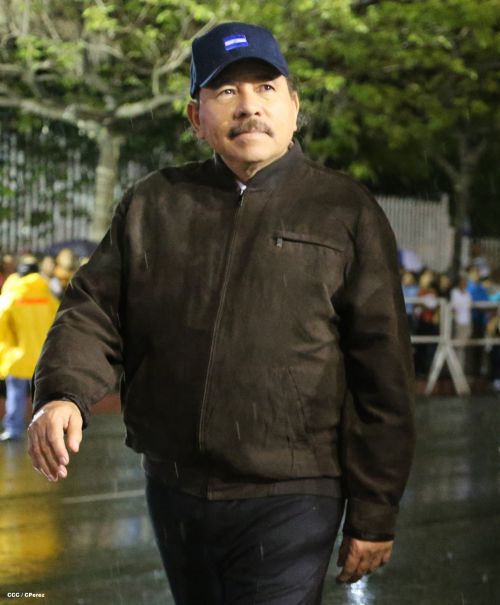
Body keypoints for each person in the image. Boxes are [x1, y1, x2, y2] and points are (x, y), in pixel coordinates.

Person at [27, 22, 415, 605]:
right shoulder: (154, 203)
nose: (249, 107)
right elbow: (94, 310)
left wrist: (374, 509)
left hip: (294, 491)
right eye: (226, 92)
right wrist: (62, 392)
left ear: (293, 106)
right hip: (174, 486)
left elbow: (382, 372)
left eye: (265, 88)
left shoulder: (344, 210)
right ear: (195, 117)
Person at [0, 256, 59, 441]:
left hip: (18, 357)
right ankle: (47, 431)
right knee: (43, 397)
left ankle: (13, 429)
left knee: (15, 395)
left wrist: (7, 350)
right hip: (44, 358)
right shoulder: (49, 297)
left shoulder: (12, 296)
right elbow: (60, 325)